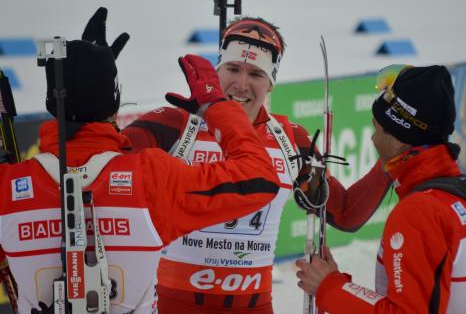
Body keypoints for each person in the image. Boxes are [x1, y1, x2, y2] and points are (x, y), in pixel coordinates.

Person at [0, 20, 281, 313]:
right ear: (115, 102)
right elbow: (259, 177)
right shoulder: (151, 177)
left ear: (50, 101)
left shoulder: (8, 186)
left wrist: (82, 76)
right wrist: (215, 106)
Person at [123, 16, 392, 313]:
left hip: (254, 306)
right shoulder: (175, 124)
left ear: (271, 83)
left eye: (256, 74)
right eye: (233, 69)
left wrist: (395, 154)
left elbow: (345, 213)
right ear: (217, 71)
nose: (241, 84)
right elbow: (105, 163)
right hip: (172, 304)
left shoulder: (289, 138)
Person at [296, 65, 466, 313]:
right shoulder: (465, 194)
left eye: (377, 128)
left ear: (400, 138)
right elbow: (347, 212)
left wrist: (329, 286)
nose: (372, 139)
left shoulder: (420, 212)